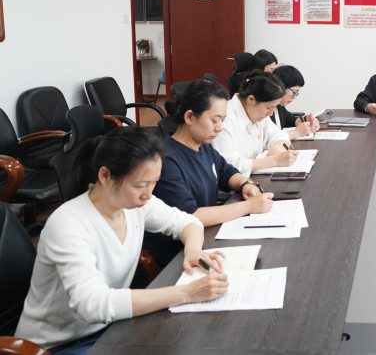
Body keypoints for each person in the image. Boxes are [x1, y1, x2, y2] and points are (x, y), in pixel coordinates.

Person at [15, 128, 228, 354]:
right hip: (57, 346)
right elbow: (93, 304)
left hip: (110, 326)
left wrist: (193, 250)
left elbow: (188, 222)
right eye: (140, 185)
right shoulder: (68, 224)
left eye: (154, 182)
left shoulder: (134, 205)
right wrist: (186, 293)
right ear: (105, 176)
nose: (148, 194)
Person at [144, 80, 275, 267]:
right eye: (215, 120)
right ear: (190, 117)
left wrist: (245, 184)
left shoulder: (202, 144)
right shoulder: (167, 161)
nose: (219, 128)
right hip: (177, 253)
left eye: (223, 120)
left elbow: (225, 171)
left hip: (206, 236)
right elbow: (191, 215)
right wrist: (249, 206)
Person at [212, 71, 298, 175]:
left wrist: (278, 147)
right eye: (269, 107)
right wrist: (274, 160)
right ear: (251, 99)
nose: (271, 113)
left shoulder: (258, 112)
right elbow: (229, 165)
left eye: (274, 108)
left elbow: (279, 135)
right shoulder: (224, 118)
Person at [271, 65, 321, 140]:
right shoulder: (264, 110)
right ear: (280, 87)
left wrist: (306, 119)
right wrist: (297, 132)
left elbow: (292, 121)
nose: (294, 97)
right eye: (294, 92)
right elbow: (268, 139)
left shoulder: (279, 106)